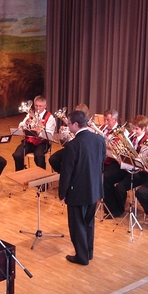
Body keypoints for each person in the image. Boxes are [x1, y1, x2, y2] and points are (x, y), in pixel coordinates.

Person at [58, 110, 106, 266]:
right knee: (89, 223)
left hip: (77, 191)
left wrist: (62, 193)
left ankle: (82, 257)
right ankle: (88, 252)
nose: (68, 126)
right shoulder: (99, 139)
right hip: (94, 189)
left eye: (69, 123)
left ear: (75, 124)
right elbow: (101, 161)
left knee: (77, 225)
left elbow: (66, 172)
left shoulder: (73, 145)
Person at [103, 115, 148, 217]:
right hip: (126, 167)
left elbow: (140, 163)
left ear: (144, 129)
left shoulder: (147, 142)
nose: (133, 131)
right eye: (133, 128)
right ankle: (111, 208)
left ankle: (119, 211)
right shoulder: (131, 137)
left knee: (120, 187)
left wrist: (124, 163)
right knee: (106, 177)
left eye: (136, 129)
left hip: (141, 172)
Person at [12, 95, 56, 170]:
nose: (38, 108)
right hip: (29, 141)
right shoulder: (30, 114)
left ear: (45, 106)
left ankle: (42, 176)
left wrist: (39, 132)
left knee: (39, 156)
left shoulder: (50, 118)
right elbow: (20, 127)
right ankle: (20, 173)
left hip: (42, 143)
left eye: (40, 106)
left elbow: (49, 135)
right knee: (17, 155)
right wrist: (26, 123)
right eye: (36, 106)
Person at [49, 103, 89, 174]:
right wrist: (63, 133)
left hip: (81, 150)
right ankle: (65, 174)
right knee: (53, 159)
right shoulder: (73, 125)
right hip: (71, 148)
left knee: (68, 163)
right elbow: (66, 141)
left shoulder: (88, 126)